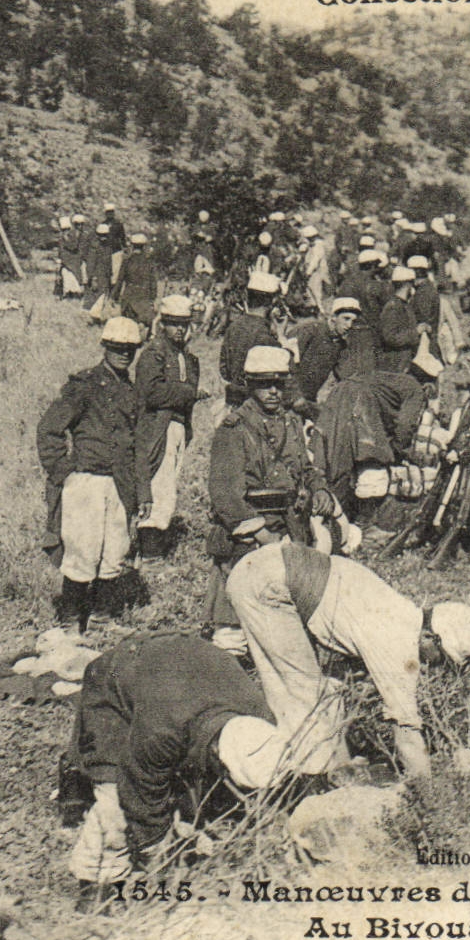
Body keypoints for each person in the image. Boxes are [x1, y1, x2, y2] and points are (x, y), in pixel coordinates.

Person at [226, 540, 470, 778]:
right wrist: (427, 795)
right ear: (431, 638)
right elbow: (406, 736)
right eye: (441, 659)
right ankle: (309, 786)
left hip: (270, 565)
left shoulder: (401, 611)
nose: (436, 666)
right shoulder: (397, 646)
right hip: (265, 585)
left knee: (327, 690)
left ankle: (335, 771)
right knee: (302, 697)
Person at [66, 631, 284, 908]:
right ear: (217, 753)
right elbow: (138, 789)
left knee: (183, 781)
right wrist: (157, 846)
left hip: (171, 669)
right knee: (114, 797)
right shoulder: (163, 731)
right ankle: (96, 882)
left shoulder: (259, 716)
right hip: (115, 679)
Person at [204, 347, 334, 653]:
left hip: (289, 524)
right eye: (265, 384)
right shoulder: (233, 430)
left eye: (280, 383)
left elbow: (305, 468)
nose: (274, 391)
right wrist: (264, 537)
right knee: (231, 629)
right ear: (250, 384)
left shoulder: (290, 423)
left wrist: (320, 489)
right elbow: (225, 495)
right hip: (247, 534)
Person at [37, 317, 144, 632]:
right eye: (118, 348)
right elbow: (49, 429)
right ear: (105, 347)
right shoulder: (83, 386)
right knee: (82, 551)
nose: (125, 354)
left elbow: (137, 444)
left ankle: (101, 619)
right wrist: (64, 471)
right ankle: (71, 620)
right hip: (86, 482)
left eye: (130, 349)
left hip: (120, 483)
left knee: (114, 551)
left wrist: (142, 492)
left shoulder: (131, 392)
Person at [311, 349, 446, 516]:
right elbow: (405, 425)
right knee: (361, 465)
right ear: (428, 385)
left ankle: (325, 512)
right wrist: (397, 449)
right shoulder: (415, 388)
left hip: (339, 395)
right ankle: (342, 518)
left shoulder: (392, 378)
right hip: (358, 406)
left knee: (331, 460)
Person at [134, 296, 204, 563]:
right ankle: (150, 549)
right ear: (162, 324)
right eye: (174, 324)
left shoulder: (185, 356)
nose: (179, 330)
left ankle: (156, 544)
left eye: (184, 324)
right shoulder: (154, 354)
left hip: (176, 426)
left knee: (169, 483)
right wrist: (189, 394)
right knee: (159, 484)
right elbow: (151, 393)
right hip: (157, 426)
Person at [218, 271, 282, 405]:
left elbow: (224, 370)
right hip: (256, 403)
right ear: (272, 303)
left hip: (233, 398)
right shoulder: (265, 336)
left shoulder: (233, 326)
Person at [114, 232, 157, 323]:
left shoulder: (127, 261)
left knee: (128, 325)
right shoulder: (149, 262)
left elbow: (120, 281)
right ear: (144, 247)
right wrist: (152, 299)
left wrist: (114, 297)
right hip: (143, 297)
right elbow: (153, 283)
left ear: (132, 246)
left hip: (129, 297)